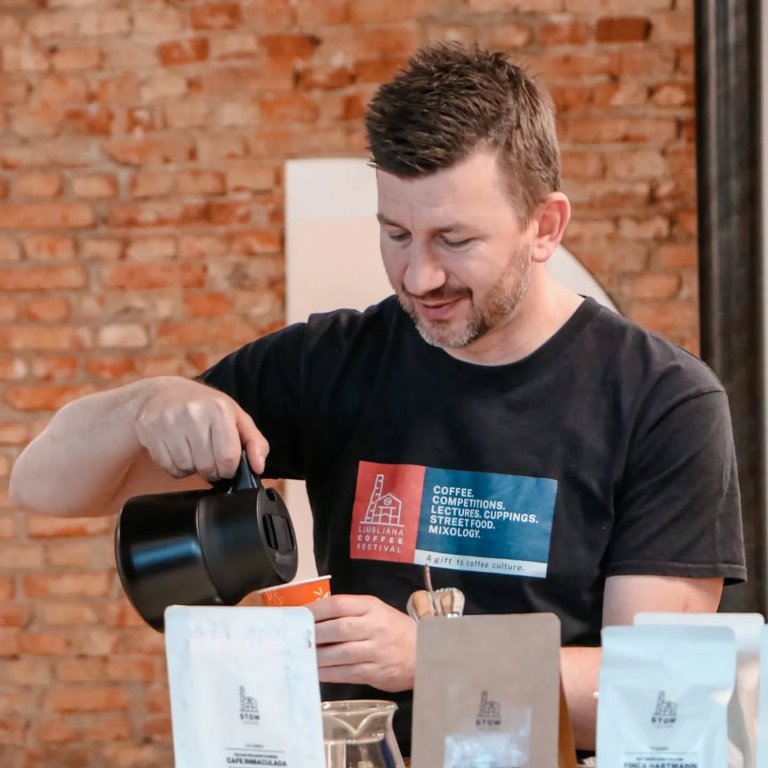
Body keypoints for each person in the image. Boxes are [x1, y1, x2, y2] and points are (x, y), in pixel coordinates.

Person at [9, 42, 745, 759]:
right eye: (396, 234)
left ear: (545, 226)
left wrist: (436, 657)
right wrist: (144, 405)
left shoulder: (662, 401)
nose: (419, 277)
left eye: (454, 240)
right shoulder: (330, 364)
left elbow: (659, 697)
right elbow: (43, 486)